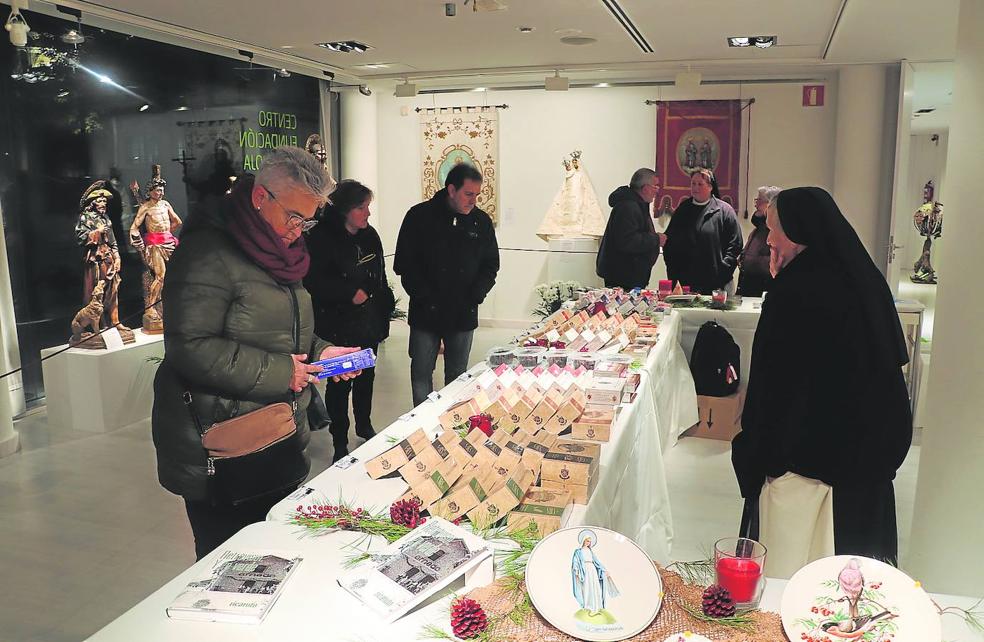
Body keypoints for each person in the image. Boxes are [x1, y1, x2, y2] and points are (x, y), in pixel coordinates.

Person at [151, 146, 361, 560]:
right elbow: (189, 348)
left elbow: (279, 334)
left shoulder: (280, 252)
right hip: (224, 443)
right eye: (294, 217)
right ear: (260, 196)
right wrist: (282, 372)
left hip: (274, 433)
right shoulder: (208, 253)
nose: (299, 230)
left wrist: (323, 351)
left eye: (309, 219)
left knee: (273, 557)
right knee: (227, 566)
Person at [732, 187, 912, 567]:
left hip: (804, 477)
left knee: (796, 585)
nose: (769, 239)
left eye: (774, 228)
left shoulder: (793, 292)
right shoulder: (866, 283)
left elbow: (772, 388)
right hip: (863, 474)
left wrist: (755, 453)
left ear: (798, 231)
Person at [394, 163, 500, 407]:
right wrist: (423, 295)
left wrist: (477, 294)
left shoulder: (480, 222)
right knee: (421, 372)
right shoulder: (418, 216)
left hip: (463, 311)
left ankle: (452, 427)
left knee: (458, 375)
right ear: (452, 190)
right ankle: (421, 425)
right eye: (468, 194)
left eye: (477, 195)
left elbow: (491, 265)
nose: (473, 200)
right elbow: (404, 264)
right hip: (425, 310)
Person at [304, 180, 395, 462]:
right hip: (336, 326)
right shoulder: (319, 238)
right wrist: (347, 292)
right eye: (361, 207)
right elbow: (313, 281)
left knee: (366, 376)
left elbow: (379, 274)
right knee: (340, 384)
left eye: (368, 207)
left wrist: (378, 304)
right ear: (344, 210)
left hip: (368, 322)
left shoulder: (370, 236)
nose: (367, 213)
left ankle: (364, 425)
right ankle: (340, 441)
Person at [663, 168, 743, 294]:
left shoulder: (724, 211)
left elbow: (735, 244)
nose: (695, 187)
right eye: (693, 183)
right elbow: (670, 242)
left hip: (717, 282)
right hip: (686, 282)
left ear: (711, 187)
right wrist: (674, 271)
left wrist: (723, 270)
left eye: (700, 184)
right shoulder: (683, 210)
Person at [73, 180, 133, 346]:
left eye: (105, 202)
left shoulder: (106, 218)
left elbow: (113, 240)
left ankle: (115, 321)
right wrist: (96, 233)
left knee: (113, 289)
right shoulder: (85, 218)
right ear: (93, 203)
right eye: (100, 201)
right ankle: (99, 325)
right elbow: (80, 238)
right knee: (97, 291)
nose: (103, 204)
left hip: (108, 258)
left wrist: (117, 257)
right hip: (95, 260)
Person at [130, 165, 183, 332]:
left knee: (176, 274)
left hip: (169, 241)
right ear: (150, 191)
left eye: (161, 190)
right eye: (156, 190)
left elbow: (177, 221)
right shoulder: (145, 206)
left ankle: (173, 304)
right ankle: (151, 307)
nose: (159, 193)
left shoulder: (165, 204)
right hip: (154, 244)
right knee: (160, 276)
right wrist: (136, 238)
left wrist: (167, 232)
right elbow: (134, 226)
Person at [595, 168, 664, 290]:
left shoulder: (635, 204)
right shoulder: (628, 207)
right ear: (646, 188)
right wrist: (656, 239)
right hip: (623, 276)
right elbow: (628, 241)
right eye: (656, 186)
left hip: (629, 275)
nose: (657, 190)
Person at [736, 185, 780, 297]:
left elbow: (776, 264)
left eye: (759, 200)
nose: (755, 204)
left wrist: (750, 261)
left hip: (763, 292)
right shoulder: (758, 230)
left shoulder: (777, 232)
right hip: (749, 289)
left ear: (771, 204)